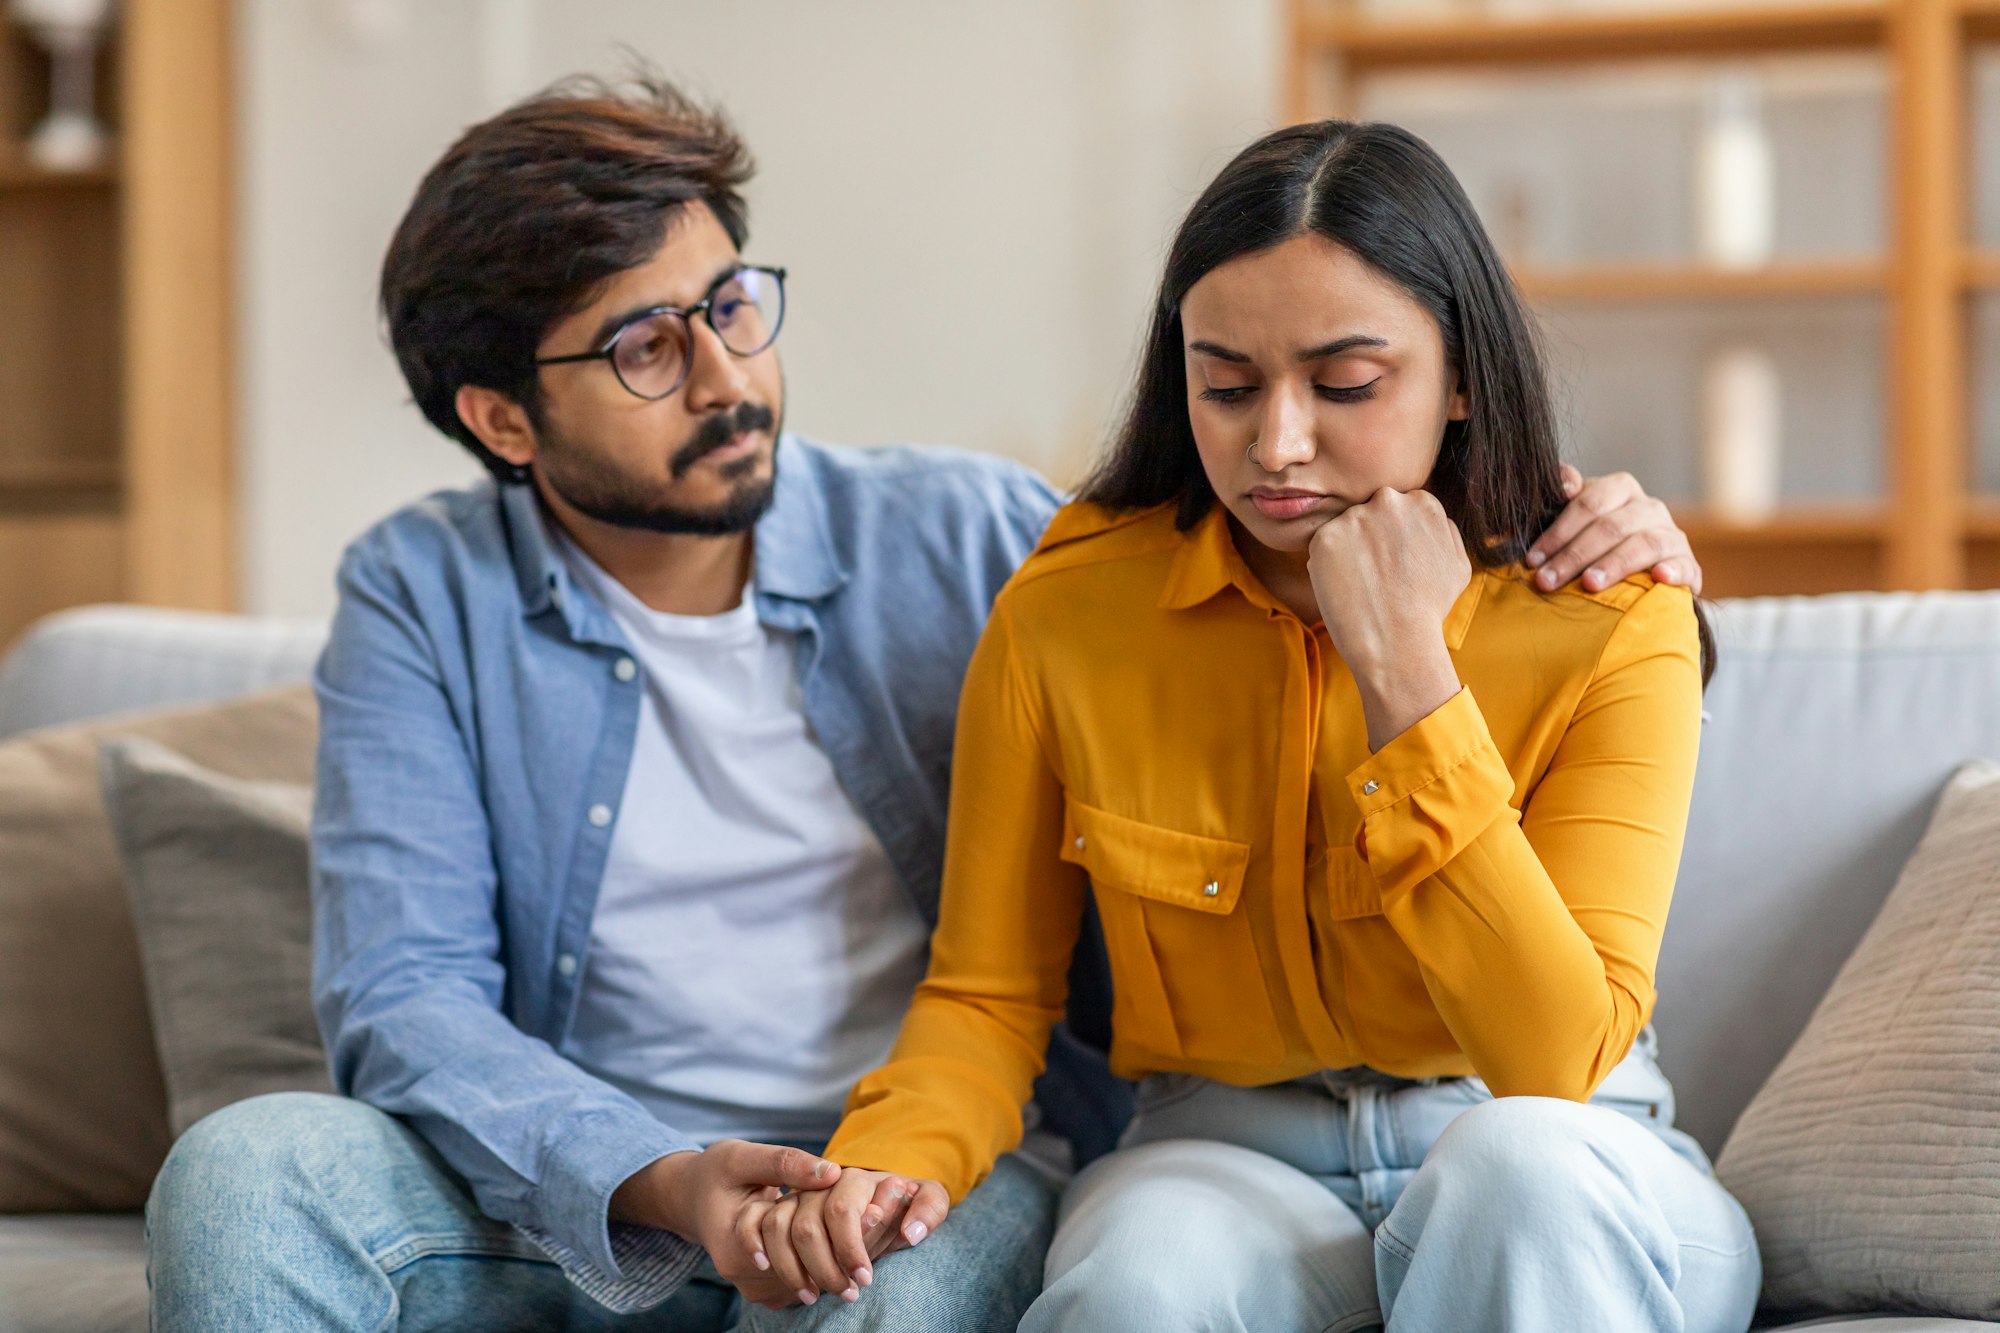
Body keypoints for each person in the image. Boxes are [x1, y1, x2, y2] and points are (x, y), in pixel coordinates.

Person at [142, 76, 1707, 1331]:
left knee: (926, 1273)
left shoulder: (973, 536)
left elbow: (1554, 1043)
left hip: (921, 1176)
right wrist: (673, 1180)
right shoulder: (427, 596)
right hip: (598, 1182)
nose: (724, 373)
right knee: (243, 1170)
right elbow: (406, 995)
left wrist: (1545, 600)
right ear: (502, 419)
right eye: (643, 348)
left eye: (732, 303)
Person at [768, 120, 1760, 1332]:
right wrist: (889, 1160)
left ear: (1461, 377)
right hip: (1223, 1152)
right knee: (1141, 1276)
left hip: (1572, 1154)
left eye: (1344, 384)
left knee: (1515, 1174)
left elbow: (1552, 1067)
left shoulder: (1605, 612)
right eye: (1224, 384)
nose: (1274, 443)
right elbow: (986, 991)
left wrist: (1406, 675)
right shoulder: (1071, 611)